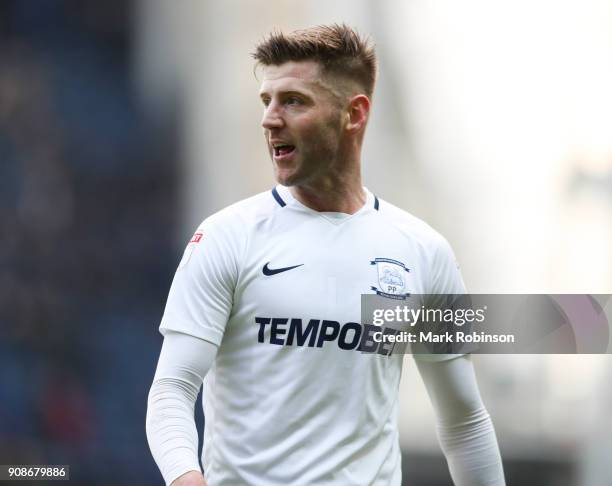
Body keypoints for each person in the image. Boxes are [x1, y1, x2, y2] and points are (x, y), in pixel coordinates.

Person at [146, 24, 505, 486]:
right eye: (266, 101)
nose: (270, 119)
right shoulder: (225, 238)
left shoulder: (423, 252)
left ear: (354, 114)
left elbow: (465, 424)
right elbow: (172, 390)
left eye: (293, 101)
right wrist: (187, 479)